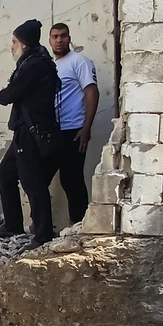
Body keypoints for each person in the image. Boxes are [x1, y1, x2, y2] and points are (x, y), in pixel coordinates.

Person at [0, 19, 61, 251]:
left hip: (31, 131)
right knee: (6, 174)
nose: (12, 46)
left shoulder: (34, 65)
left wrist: (3, 93)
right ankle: (13, 224)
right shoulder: (36, 61)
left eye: (14, 42)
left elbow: (9, 94)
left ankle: (42, 235)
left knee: (33, 183)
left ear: (23, 43)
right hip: (26, 129)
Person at [49, 23, 99, 224]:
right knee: (40, 177)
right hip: (54, 130)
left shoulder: (79, 61)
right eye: (55, 36)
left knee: (72, 180)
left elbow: (91, 92)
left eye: (63, 36)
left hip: (74, 130)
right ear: (49, 40)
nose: (59, 40)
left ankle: (79, 225)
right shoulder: (51, 65)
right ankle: (40, 225)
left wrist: (86, 127)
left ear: (69, 38)